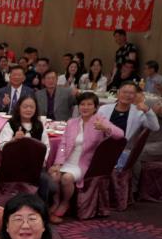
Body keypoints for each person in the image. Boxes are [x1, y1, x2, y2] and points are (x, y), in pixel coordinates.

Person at [48, 92, 124, 223]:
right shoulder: (72, 122)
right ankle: (55, 202)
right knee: (54, 176)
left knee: (66, 178)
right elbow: (63, 145)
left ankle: (65, 202)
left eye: (89, 104)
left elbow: (120, 135)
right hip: (68, 161)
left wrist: (105, 128)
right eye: (82, 104)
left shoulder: (100, 121)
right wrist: (58, 163)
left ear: (95, 107)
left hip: (85, 164)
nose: (85, 107)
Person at [96, 81, 159, 166]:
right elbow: (95, 130)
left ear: (135, 96)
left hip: (123, 150)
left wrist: (147, 110)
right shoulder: (104, 109)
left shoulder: (138, 113)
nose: (127, 95)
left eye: (131, 93)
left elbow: (155, 127)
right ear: (118, 93)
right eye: (124, 92)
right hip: (102, 148)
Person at [0, 95, 51, 161]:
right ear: (19, 108)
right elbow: (2, 146)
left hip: (35, 163)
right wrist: (14, 139)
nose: (29, 109)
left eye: (32, 107)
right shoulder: (11, 124)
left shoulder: (39, 125)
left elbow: (46, 146)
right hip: (13, 162)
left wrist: (43, 160)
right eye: (25, 107)